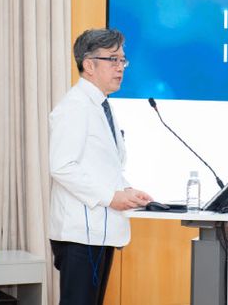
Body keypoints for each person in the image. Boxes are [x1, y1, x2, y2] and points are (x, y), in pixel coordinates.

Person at [49, 28, 152, 304]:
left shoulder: (101, 105)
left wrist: (126, 191)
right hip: (80, 235)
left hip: (99, 232)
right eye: (112, 60)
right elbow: (62, 166)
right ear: (89, 65)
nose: (120, 67)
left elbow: (104, 166)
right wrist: (110, 197)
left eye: (122, 60)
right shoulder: (74, 107)